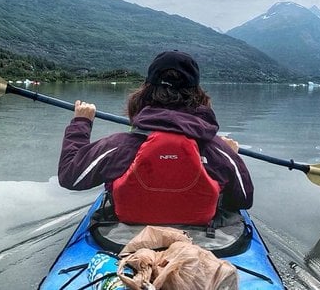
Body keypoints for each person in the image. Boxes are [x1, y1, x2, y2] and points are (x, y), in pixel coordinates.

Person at [58, 50, 254, 226]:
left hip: (123, 239)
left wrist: (81, 123)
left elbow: (70, 177)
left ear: (144, 93)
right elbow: (243, 200)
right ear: (199, 96)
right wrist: (233, 157)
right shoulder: (218, 151)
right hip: (204, 238)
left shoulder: (118, 147)